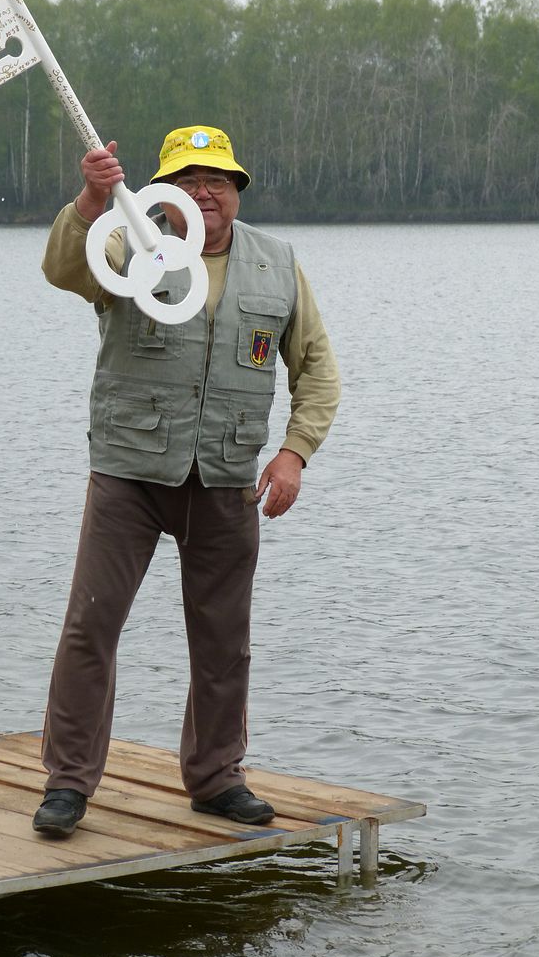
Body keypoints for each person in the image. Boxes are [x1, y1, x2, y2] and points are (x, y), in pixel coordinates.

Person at [33, 125, 340, 837]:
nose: (205, 193)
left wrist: (294, 453)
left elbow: (318, 369)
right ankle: (68, 783)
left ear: (237, 192)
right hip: (129, 476)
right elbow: (63, 270)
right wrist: (89, 199)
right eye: (189, 181)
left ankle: (216, 778)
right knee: (90, 628)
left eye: (219, 181)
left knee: (224, 640)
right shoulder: (125, 244)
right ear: (162, 192)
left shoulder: (278, 263)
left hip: (227, 481)